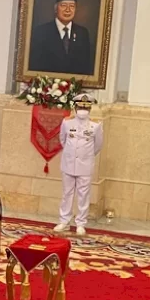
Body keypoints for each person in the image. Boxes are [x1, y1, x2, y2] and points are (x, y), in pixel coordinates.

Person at [54, 94, 103, 236]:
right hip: (68, 164)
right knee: (67, 193)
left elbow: (98, 146)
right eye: (80, 107)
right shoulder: (67, 123)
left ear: (90, 109)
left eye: (85, 108)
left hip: (85, 165)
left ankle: (81, 223)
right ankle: (64, 220)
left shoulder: (96, 125)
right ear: (75, 107)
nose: (83, 110)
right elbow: (62, 140)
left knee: (83, 195)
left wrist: (84, 156)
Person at [28, 0, 92, 75]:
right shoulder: (41, 32)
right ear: (55, 8)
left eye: (72, 6)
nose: (68, 10)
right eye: (63, 5)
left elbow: (86, 68)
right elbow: (34, 65)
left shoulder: (82, 33)